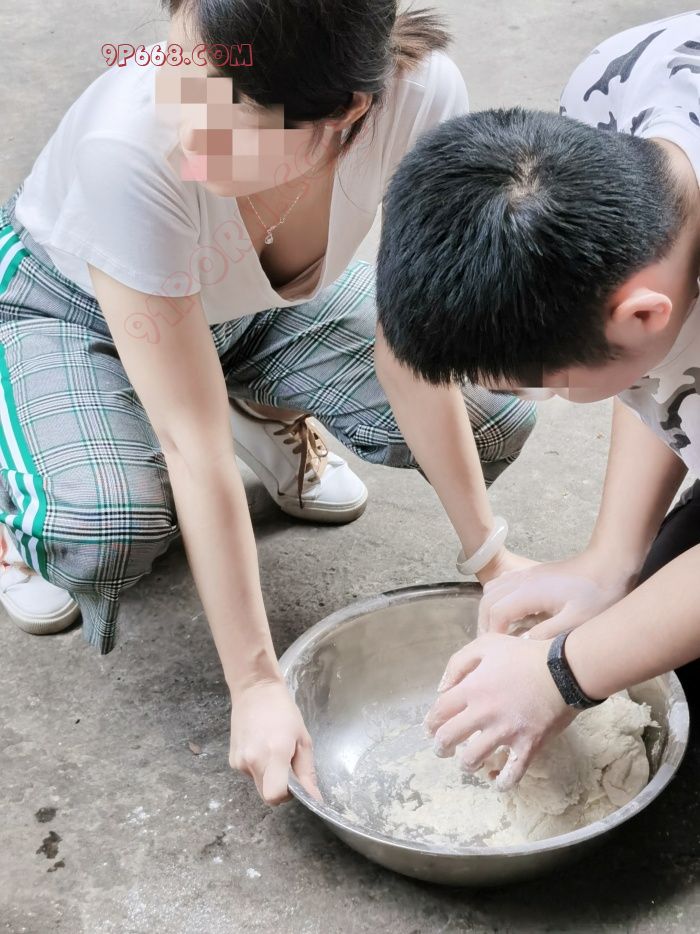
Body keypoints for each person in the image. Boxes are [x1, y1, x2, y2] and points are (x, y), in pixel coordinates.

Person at [0, 0, 537, 804]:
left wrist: (490, 558)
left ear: (345, 112)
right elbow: (191, 444)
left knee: (492, 417)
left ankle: (256, 405)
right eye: (173, 65)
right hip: (67, 303)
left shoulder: (421, 96)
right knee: (107, 524)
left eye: (226, 106)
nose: (180, 117)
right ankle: (19, 496)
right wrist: (255, 682)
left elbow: (409, 349)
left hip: (247, 305)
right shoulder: (129, 147)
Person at [374, 11, 700, 787]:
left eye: (542, 384)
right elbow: (658, 367)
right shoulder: (617, 88)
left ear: (641, 315)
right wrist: (610, 561)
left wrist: (561, 675)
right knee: (639, 617)